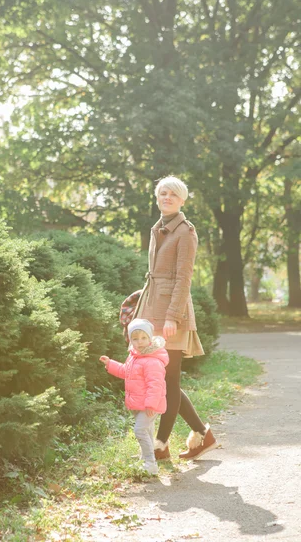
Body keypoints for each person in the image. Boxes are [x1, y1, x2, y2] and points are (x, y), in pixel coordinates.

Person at [135, 175, 217, 461]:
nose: (166, 197)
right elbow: (156, 275)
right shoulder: (157, 227)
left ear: (182, 200)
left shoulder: (186, 232)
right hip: (152, 310)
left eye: (173, 194)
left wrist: (172, 317)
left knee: (169, 381)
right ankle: (201, 434)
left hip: (173, 315)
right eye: (162, 193)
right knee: (164, 380)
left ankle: (160, 444)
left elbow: (184, 279)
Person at [99, 318, 169, 475]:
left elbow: (155, 385)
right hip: (138, 404)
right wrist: (110, 364)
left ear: (150, 338)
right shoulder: (134, 357)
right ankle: (146, 458)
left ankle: (150, 463)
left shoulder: (152, 361)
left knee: (140, 430)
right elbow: (126, 372)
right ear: (131, 340)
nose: (140, 342)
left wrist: (151, 404)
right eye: (135, 339)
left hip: (150, 405)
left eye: (144, 338)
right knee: (148, 431)